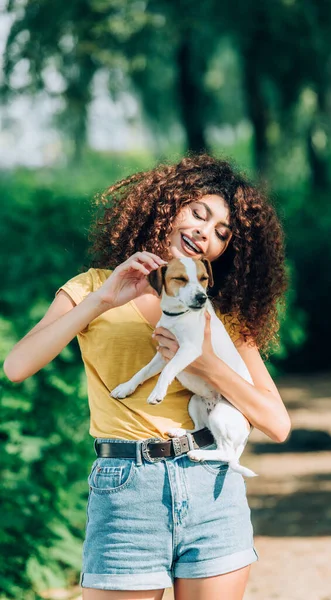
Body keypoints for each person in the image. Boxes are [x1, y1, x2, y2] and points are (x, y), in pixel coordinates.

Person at [4, 154, 291, 600]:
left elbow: (277, 423)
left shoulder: (223, 313)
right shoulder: (92, 287)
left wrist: (207, 364)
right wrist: (101, 300)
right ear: (168, 206)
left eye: (222, 232)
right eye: (199, 212)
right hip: (126, 490)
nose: (205, 232)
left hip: (212, 486)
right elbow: (17, 366)